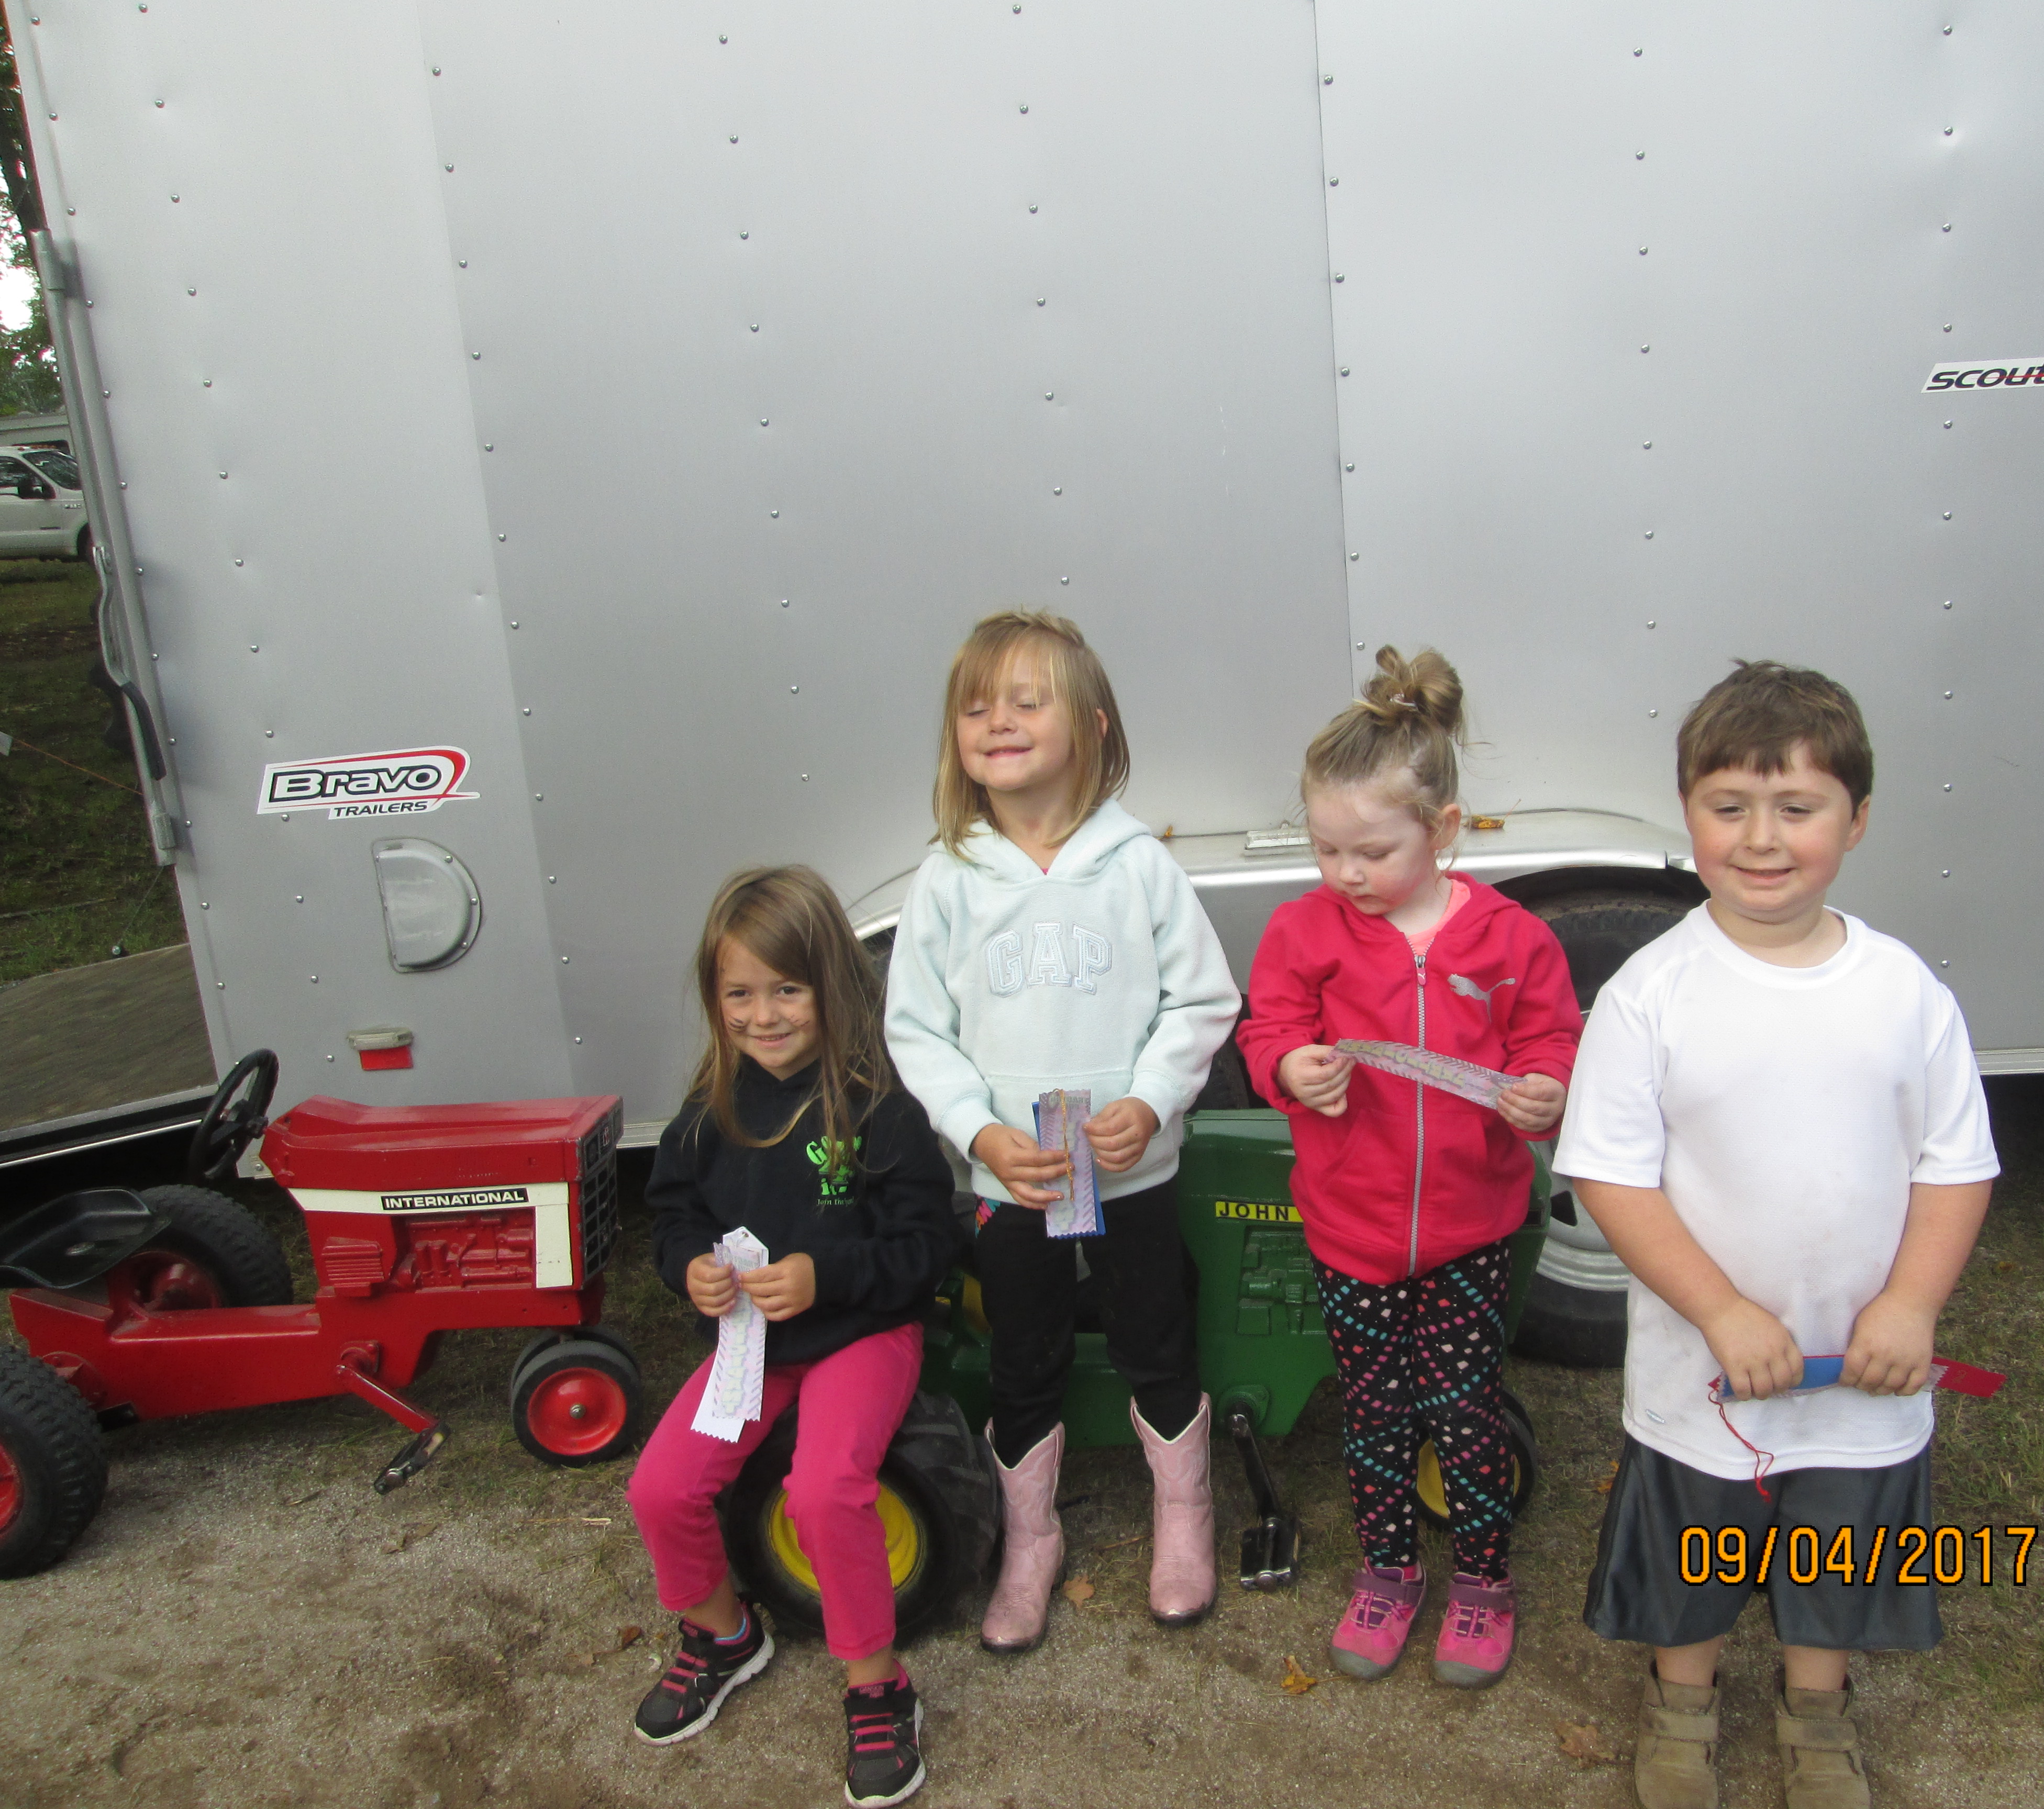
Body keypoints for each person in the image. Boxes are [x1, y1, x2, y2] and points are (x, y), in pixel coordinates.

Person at [1553, 662, 1999, 1809]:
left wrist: (1911, 1307)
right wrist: (1722, 1313)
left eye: (1797, 807)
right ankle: (1683, 1702)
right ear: (1688, 812)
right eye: (1730, 806)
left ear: (1857, 819)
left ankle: (1817, 1712)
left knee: (1837, 1548)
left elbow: (1955, 1166)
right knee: (1694, 1548)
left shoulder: (1904, 990)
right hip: (1704, 1372)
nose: (1761, 839)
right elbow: (1611, 1176)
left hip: (1864, 1368)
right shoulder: (1650, 992)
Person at [884, 609, 1241, 1650]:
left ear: (1091, 725)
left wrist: (1152, 1099)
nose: (998, 721)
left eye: (1027, 702)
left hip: (1131, 1176)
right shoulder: (948, 879)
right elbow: (916, 1031)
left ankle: (1185, 1514)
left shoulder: (1138, 866)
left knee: (1155, 1338)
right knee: (1023, 1355)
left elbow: (1201, 1001)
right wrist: (978, 1134)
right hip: (1018, 1181)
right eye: (976, 707)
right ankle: (1030, 1538)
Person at [1236, 646, 1582, 1689]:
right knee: (1376, 1410)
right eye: (1325, 848)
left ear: (1444, 829)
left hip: (1473, 1227)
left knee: (1467, 1410)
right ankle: (1387, 1572)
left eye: (1372, 851)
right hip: (1350, 1227)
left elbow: (1552, 1039)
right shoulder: (1303, 931)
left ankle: (1482, 1581)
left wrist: (1546, 1086)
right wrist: (1289, 1068)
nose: (1345, 873)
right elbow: (1267, 1030)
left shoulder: (1513, 939)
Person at [627, 866, 960, 1808]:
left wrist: (827, 1274)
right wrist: (690, 1268)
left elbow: (927, 1246)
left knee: (822, 1490)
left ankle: (877, 1685)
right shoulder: (711, 1109)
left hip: (862, 1333)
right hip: (752, 1344)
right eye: (739, 994)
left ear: (832, 986)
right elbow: (673, 1217)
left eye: (786, 990)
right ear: (714, 998)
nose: (763, 1016)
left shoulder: (878, 1105)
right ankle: (724, 1635)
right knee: (660, 1488)